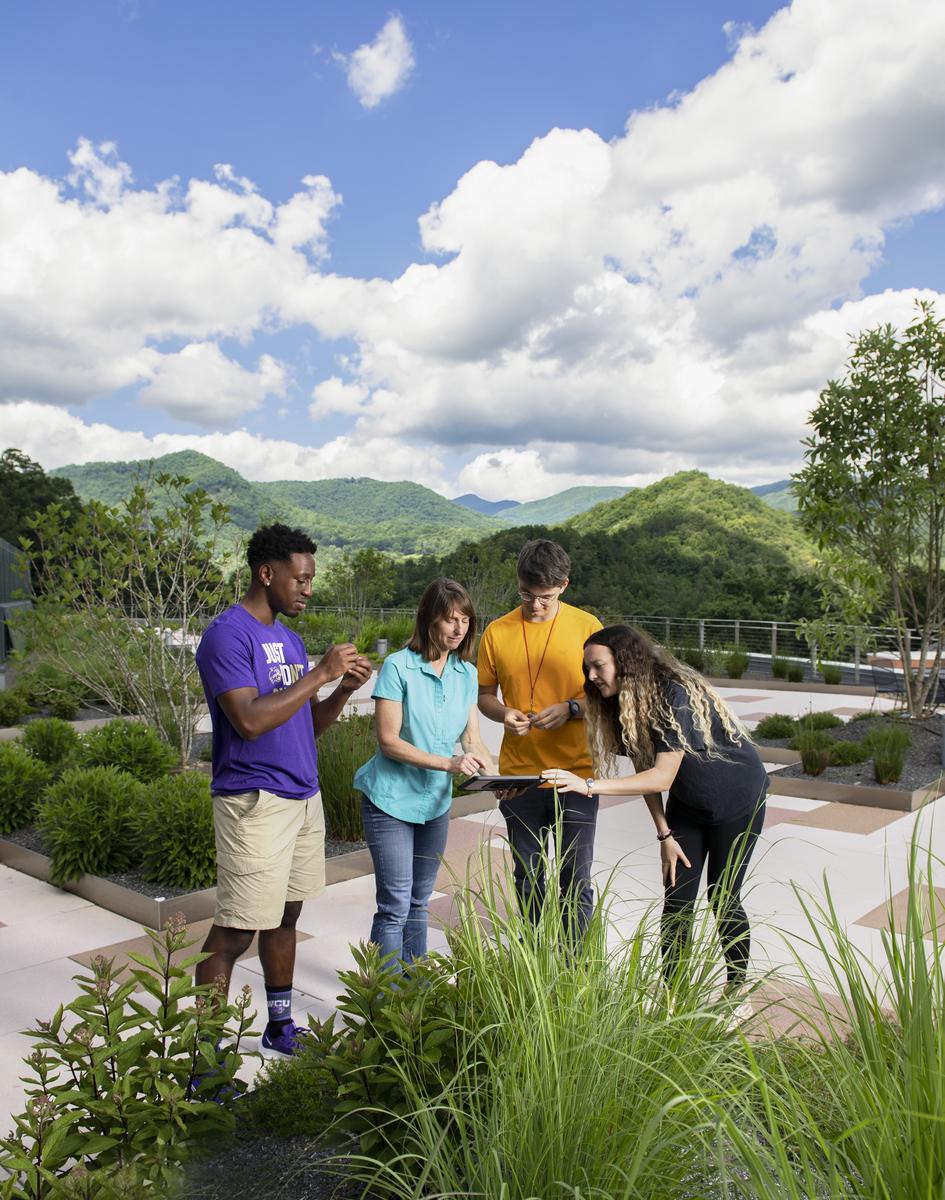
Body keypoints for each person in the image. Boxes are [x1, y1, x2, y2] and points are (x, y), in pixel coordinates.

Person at [194, 523, 372, 1058]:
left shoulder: (289, 640)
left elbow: (303, 725)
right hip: (255, 802)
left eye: (311, 579)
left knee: (289, 916)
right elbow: (248, 720)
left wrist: (340, 690)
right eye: (300, 578)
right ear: (266, 573)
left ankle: (279, 1024)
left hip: (302, 796)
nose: (307, 589)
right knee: (235, 931)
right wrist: (320, 673)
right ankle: (205, 1060)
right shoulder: (228, 634)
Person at [542, 624, 767, 1009]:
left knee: (723, 895)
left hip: (738, 798)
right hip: (690, 803)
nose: (591, 677)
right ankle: (674, 999)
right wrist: (665, 835)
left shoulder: (672, 692)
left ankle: (737, 990)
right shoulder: (623, 703)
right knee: (678, 897)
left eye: (598, 666)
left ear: (625, 662)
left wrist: (588, 785)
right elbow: (647, 770)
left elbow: (662, 775)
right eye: (588, 669)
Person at [354, 578, 494, 970]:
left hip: (434, 802)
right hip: (390, 801)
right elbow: (389, 742)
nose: (458, 629)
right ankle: (382, 999)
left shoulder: (466, 673)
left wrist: (494, 774)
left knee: (419, 899)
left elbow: (472, 739)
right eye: (450, 619)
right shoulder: (399, 666)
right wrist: (449, 764)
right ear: (429, 618)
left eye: (465, 621)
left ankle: (414, 990)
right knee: (395, 903)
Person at [477, 540, 602, 936]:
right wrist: (504, 713)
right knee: (528, 879)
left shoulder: (588, 628)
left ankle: (574, 969)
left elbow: (608, 694)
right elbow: (484, 697)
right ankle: (535, 963)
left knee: (575, 882)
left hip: (577, 774)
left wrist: (572, 709)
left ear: (564, 585)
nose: (535, 606)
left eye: (545, 597)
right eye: (526, 595)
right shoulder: (497, 631)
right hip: (519, 777)